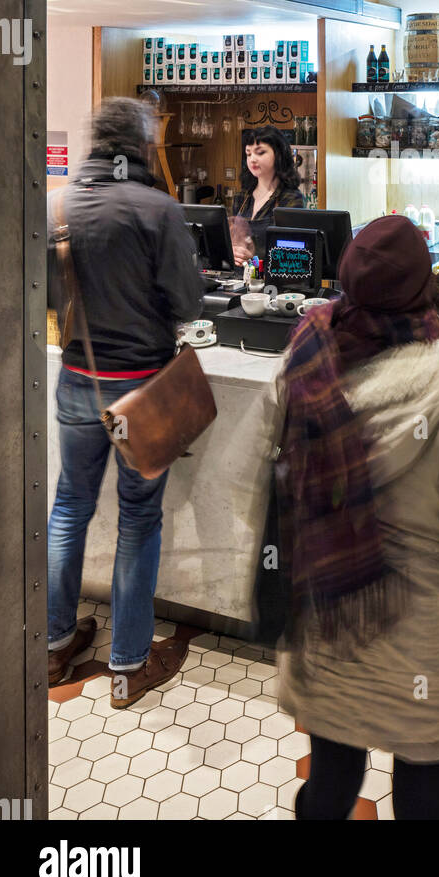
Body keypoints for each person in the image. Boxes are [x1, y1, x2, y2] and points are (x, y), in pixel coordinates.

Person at [272, 215, 439, 820]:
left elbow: (275, 477)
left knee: (331, 782)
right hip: (424, 636)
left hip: (333, 619)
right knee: (422, 799)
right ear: (424, 290)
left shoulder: (305, 362)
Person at [47, 98, 203, 704]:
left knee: (68, 510)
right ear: (140, 147)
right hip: (140, 390)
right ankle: (128, 665)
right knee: (138, 519)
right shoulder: (157, 209)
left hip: (77, 381)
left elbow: (43, 291)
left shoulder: (56, 204)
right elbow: (187, 303)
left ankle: (57, 645)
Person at [231, 124, 305, 264]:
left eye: (260, 152)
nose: (252, 159)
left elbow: (291, 255)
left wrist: (253, 258)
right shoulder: (241, 197)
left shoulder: (291, 199)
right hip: (239, 280)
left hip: (272, 282)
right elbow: (232, 240)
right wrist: (232, 251)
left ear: (278, 154)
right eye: (248, 154)